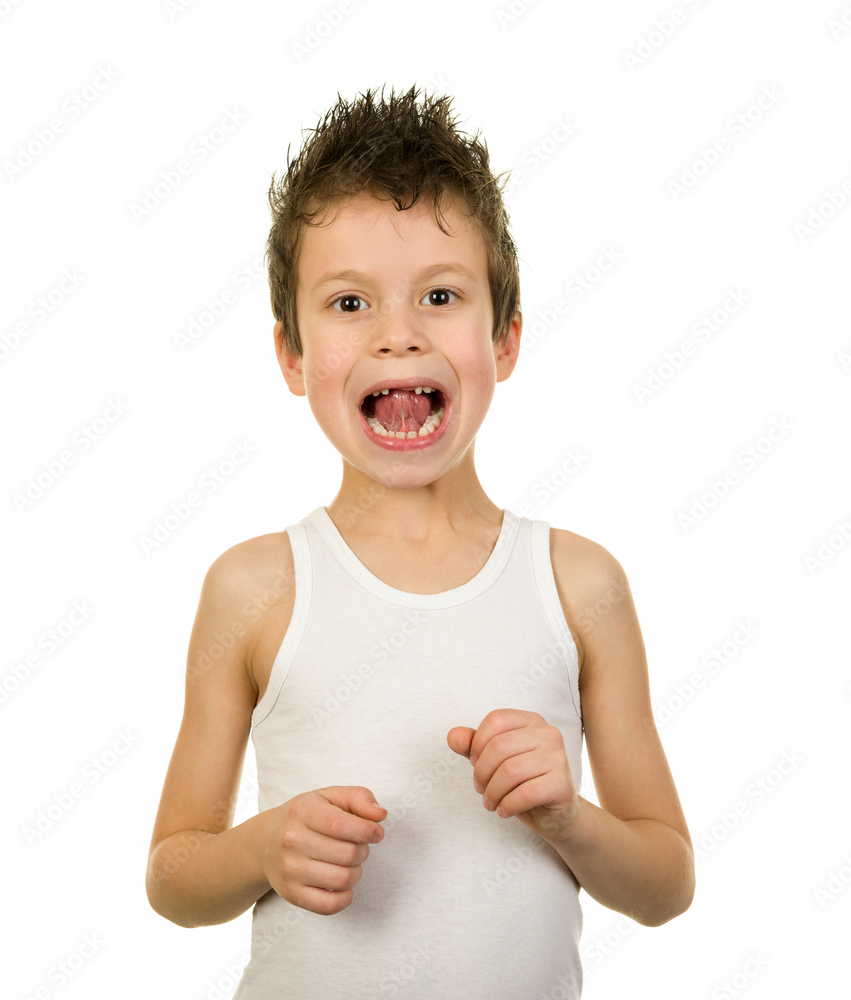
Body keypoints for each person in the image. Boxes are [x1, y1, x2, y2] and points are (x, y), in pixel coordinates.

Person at [145, 84, 694, 999]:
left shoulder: (579, 584)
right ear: (290, 353)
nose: (398, 336)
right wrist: (259, 847)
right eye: (349, 303)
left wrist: (567, 817)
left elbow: (666, 883)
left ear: (504, 337)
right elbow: (173, 876)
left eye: (440, 295)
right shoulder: (252, 587)